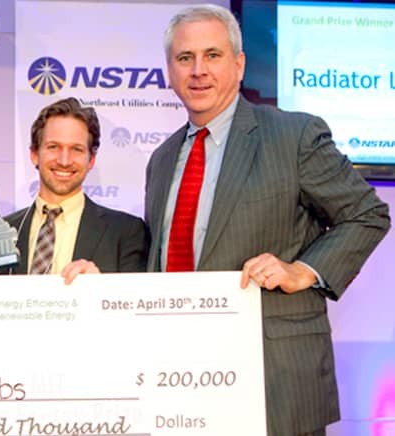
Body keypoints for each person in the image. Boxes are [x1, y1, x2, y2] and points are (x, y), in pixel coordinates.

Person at [145, 5, 390, 435]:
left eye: (213, 55)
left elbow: (367, 213)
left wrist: (304, 270)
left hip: (273, 383)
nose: (198, 70)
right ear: (169, 71)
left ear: (239, 65)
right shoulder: (162, 159)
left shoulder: (292, 136)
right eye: (185, 58)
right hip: (181, 382)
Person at [0, 97, 147, 282]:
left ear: (91, 160)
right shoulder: (0, 234)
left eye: (76, 149)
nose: (64, 161)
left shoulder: (126, 232)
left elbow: (136, 304)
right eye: (53, 147)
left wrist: (100, 287)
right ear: (34, 154)